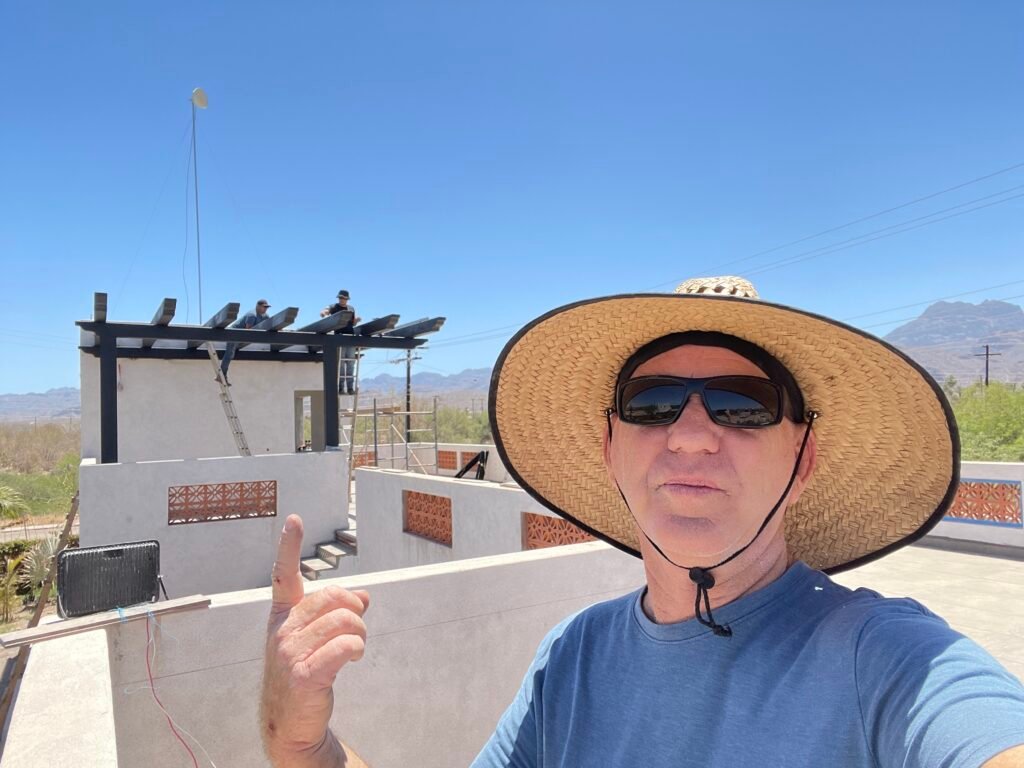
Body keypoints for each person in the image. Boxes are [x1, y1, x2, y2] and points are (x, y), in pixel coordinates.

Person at [261, 276, 1024, 767]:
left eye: (741, 404)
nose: (690, 433)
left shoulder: (888, 661)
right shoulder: (573, 658)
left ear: (806, 457)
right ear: (610, 447)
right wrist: (300, 742)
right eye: (653, 403)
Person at [219, 299, 270, 385]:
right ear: (258, 306)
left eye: (267, 307)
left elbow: (271, 322)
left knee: (231, 354)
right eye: (264, 307)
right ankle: (221, 376)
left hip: (240, 336)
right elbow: (248, 331)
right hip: (233, 334)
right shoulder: (252, 315)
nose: (266, 309)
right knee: (229, 354)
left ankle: (222, 376)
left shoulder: (264, 316)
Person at [320, 290, 362, 395]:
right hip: (339, 337)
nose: (342, 300)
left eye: (344, 298)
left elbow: (352, 323)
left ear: (347, 299)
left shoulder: (351, 308)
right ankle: (340, 387)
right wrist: (324, 315)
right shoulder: (334, 307)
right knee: (341, 363)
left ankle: (350, 388)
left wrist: (357, 320)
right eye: (340, 298)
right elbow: (324, 311)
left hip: (350, 337)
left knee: (351, 363)